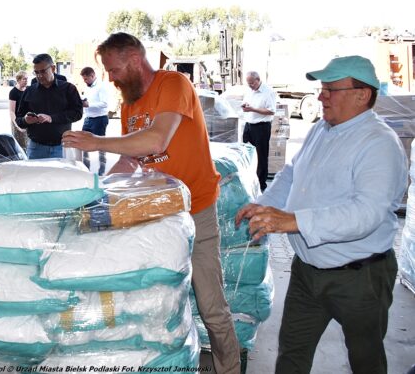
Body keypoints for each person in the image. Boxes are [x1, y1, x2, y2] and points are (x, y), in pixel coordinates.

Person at [62, 32, 241, 373]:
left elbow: (156, 141)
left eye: (113, 69)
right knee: (153, 300)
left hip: (196, 209)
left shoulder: (173, 85)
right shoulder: (130, 104)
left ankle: (229, 368)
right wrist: (98, 195)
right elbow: (132, 160)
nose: (110, 77)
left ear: (133, 60)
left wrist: (97, 142)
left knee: (211, 305)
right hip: (158, 213)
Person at [235, 55, 406, 374]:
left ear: (362, 95)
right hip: (307, 272)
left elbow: (366, 213)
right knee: (292, 352)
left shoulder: (380, 144)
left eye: (330, 89)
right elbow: (291, 174)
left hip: (359, 277)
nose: (320, 96)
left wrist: (292, 220)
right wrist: (266, 204)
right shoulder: (322, 129)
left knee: (365, 356)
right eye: (322, 88)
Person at [16, 53, 82, 159]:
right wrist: (25, 120)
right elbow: (19, 119)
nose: (39, 76)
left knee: (62, 176)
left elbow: (77, 113)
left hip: (62, 147)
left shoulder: (68, 89)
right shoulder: (29, 91)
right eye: (36, 72)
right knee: (34, 176)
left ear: (53, 68)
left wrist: (52, 118)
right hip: (36, 148)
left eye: (43, 71)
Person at [241, 71, 276, 191]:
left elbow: (271, 111)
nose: (250, 85)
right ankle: (248, 182)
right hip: (249, 125)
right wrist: (245, 106)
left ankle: (261, 184)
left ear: (258, 80)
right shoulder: (250, 90)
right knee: (245, 153)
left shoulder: (268, 92)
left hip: (261, 127)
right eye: (248, 83)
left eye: (252, 83)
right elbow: (247, 102)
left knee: (261, 156)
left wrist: (253, 109)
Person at [80, 66, 110, 175]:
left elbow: (105, 103)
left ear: (92, 76)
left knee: (100, 145)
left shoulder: (102, 86)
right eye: (83, 79)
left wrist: (89, 104)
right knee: (83, 142)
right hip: (88, 118)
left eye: (86, 79)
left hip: (100, 119)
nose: (85, 81)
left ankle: (101, 172)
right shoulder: (87, 87)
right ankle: (86, 169)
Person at [8, 70, 29, 149]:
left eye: (27, 79)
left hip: (27, 120)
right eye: (24, 79)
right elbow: (12, 112)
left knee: (28, 146)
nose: (26, 81)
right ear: (18, 80)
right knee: (20, 147)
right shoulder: (13, 92)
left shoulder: (28, 90)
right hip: (17, 121)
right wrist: (18, 126)